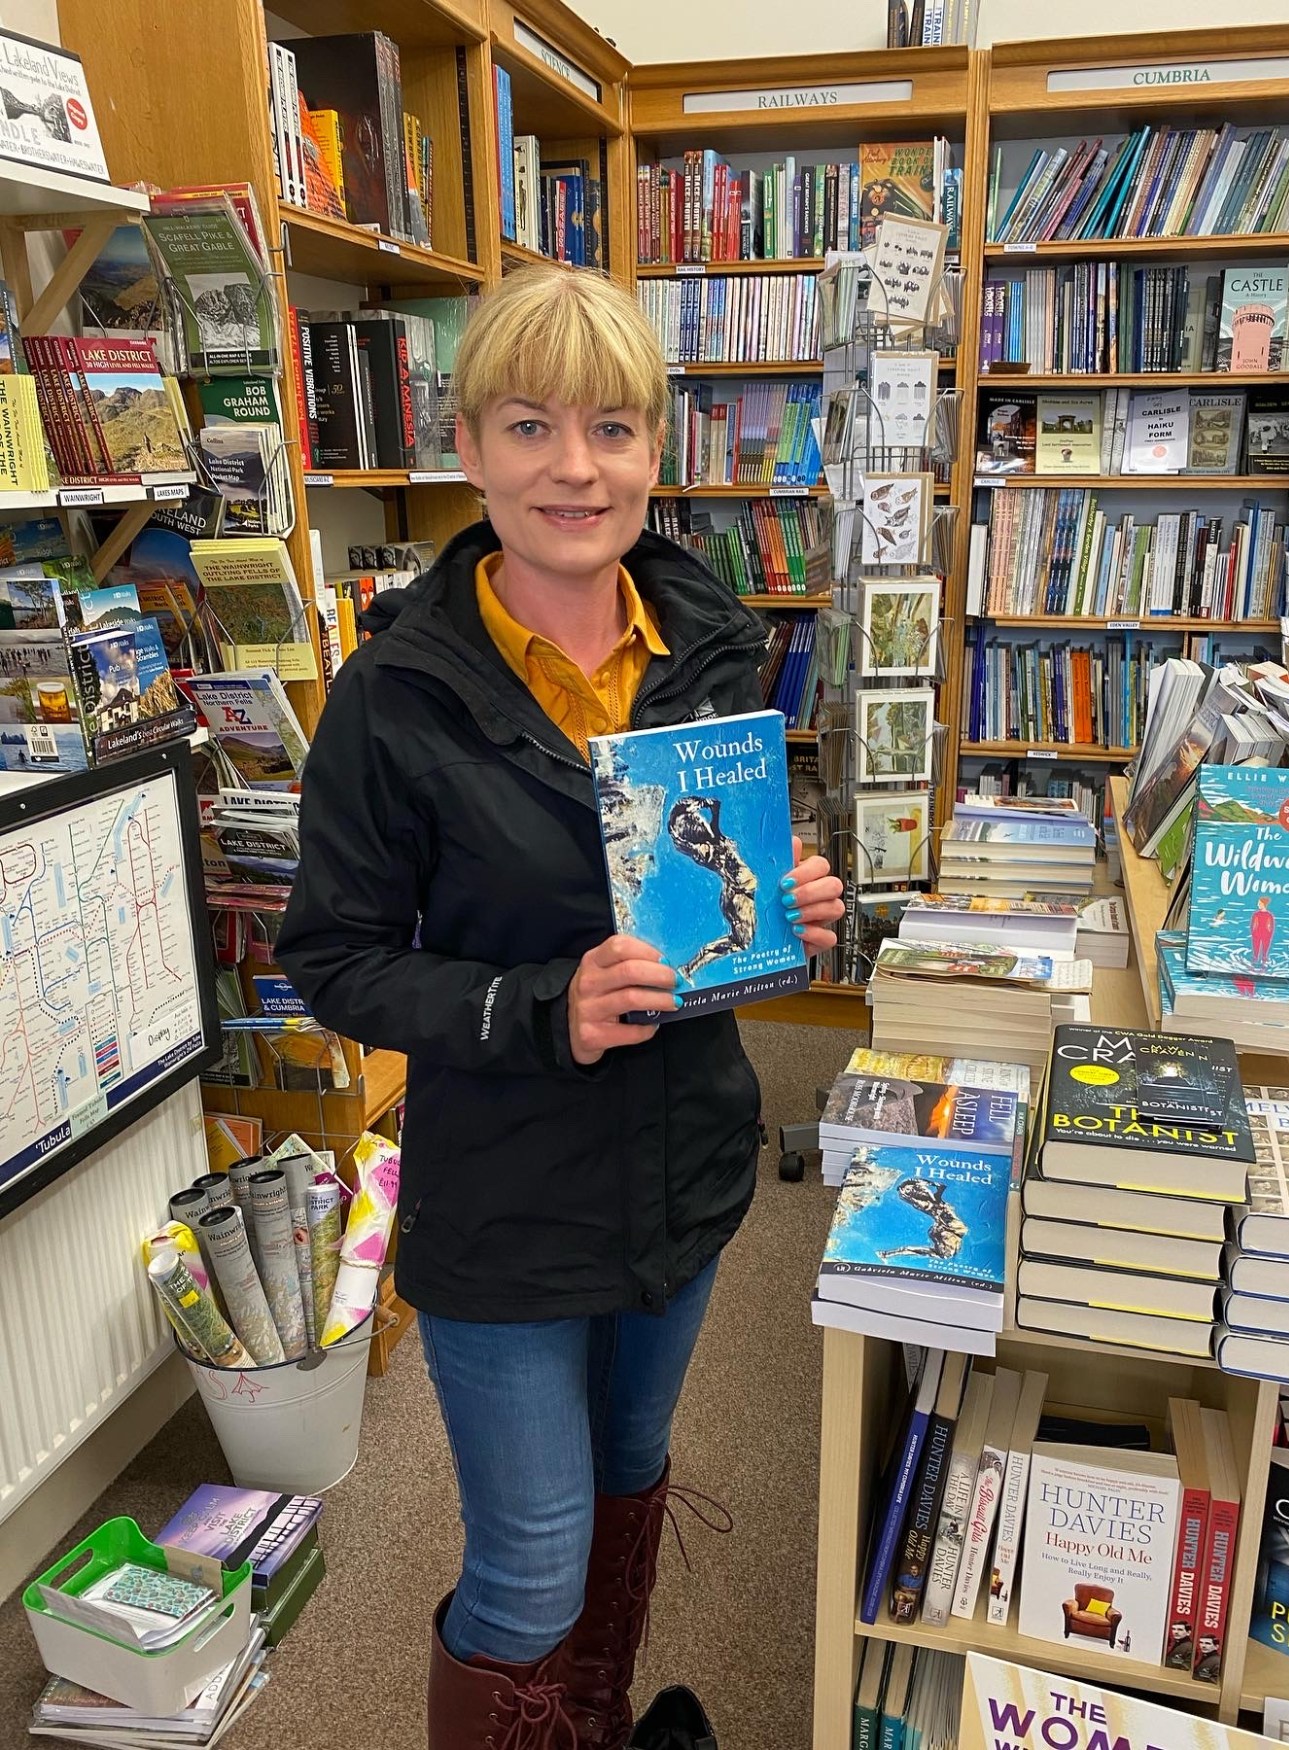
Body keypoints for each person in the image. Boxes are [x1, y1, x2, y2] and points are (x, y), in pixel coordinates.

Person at [276, 263, 845, 1750]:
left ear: (657, 449)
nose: (574, 468)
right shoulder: (396, 694)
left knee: (630, 1474)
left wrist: (783, 913)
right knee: (530, 1563)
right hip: (509, 1199)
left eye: (611, 428)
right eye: (530, 426)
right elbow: (334, 957)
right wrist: (545, 1005)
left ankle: (590, 1723)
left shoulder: (711, 646)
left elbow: (711, 892)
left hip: (682, 1168)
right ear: (469, 446)